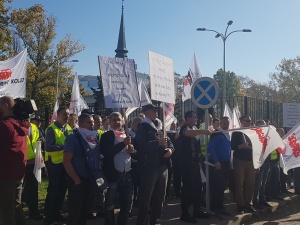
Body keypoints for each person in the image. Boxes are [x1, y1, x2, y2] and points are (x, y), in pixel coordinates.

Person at [135, 104, 174, 225]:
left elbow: (170, 144)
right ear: (146, 112)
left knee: (160, 198)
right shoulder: (143, 127)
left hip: (163, 166)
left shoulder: (160, 126)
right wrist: (157, 143)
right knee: (146, 199)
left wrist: (170, 150)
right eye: (154, 110)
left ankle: (155, 221)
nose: (157, 112)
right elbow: (140, 146)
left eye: (157, 110)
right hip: (149, 168)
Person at [63, 113, 101, 225]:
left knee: (84, 212)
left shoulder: (93, 138)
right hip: (78, 180)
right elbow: (66, 161)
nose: (92, 125)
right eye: (89, 122)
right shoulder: (73, 138)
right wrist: (76, 180)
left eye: (93, 123)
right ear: (81, 123)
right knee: (75, 214)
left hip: (91, 180)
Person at [0, 96, 30, 225]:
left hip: (5, 174)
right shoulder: (20, 124)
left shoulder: (5, 125)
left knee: (7, 212)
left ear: (5, 105)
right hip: (17, 173)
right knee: (16, 207)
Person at [101, 112, 135, 225]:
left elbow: (134, 153)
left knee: (127, 205)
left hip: (127, 175)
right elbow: (107, 153)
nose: (117, 122)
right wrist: (122, 144)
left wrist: (132, 151)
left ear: (122, 121)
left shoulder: (127, 135)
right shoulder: (106, 136)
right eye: (114, 120)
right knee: (110, 205)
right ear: (110, 122)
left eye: (119, 120)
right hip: (113, 176)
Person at [179, 111, 211, 223]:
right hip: (187, 164)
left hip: (195, 163)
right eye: (194, 117)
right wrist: (204, 131)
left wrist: (199, 161)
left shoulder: (194, 129)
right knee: (188, 188)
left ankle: (197, 209)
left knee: (198, 187)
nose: (196, 119)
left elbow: (196, 147)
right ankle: (185, 213)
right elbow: (188, 133)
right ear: (187, 118)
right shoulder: (185, 128)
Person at [44, 106, 73, 225]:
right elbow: (48, 147)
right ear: (58, 115)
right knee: (53, 191)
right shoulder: (51, 129)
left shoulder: (68, 128)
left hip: (65, 164)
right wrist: (64, 147)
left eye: (68, 114)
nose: (67, 116)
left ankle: (57, 213)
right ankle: (49, 217)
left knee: (62, 190)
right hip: (54, 164)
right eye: (64, 114)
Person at [231, 115, 257, 214]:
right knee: (239, 184)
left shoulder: (252, 132)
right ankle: (240, 205)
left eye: (250, 121)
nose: (249, 122)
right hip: (239, 160)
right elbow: (232, 146)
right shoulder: (237, 132)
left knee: (250, 183)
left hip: (250, 161)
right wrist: (241, 146)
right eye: (247, 121)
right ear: (241, 121)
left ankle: (248, 204)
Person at [207, 116, 231, 216]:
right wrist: (216, 161)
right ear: (220, 123)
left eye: (227, 123)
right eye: (224, 123)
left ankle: (220, 206)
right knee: (217, 186)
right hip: (218, 164)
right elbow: (210, 148)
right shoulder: (217, 133)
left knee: (222, 186)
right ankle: (214, 207)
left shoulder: (227, 133)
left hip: (225, 163)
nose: (226, 125)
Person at [22, 115, 44, 220]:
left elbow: (36, 141)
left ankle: (33, 212)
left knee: (33, 188)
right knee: (21, 188)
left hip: (33, 162)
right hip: (22, 162)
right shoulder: (20, 127)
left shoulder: (34, 128)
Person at [252, 120, 272, 210]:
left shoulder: (266, 135)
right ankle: (255, 201)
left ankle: (262, 200)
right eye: (261, 126)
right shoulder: (254, 136)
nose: (263, 127)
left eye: (264, 126)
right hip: (259, 162)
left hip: (267, 161)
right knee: (258, 183)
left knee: (264, 182)